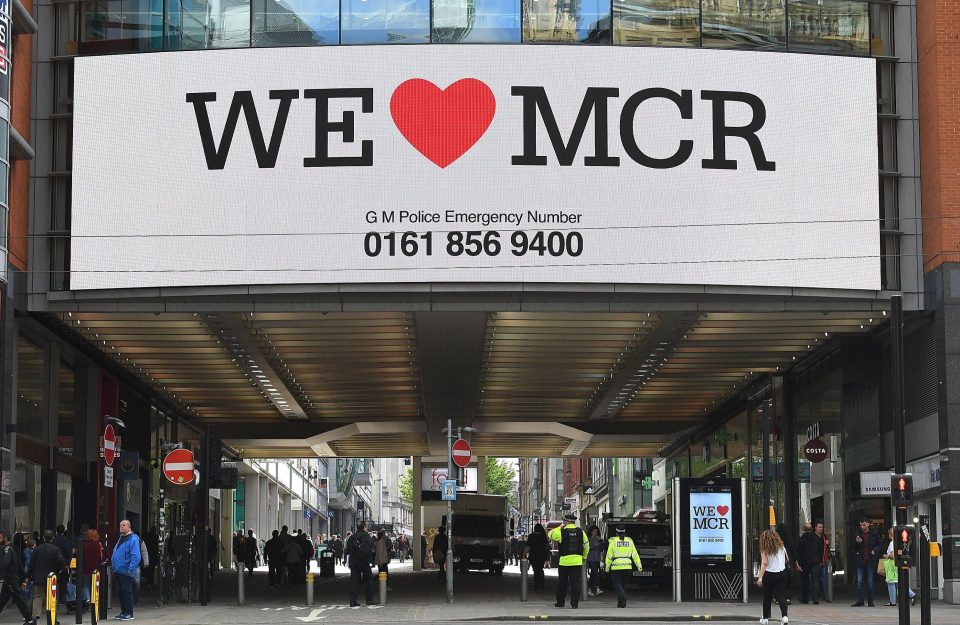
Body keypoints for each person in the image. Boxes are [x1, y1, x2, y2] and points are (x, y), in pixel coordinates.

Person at [547, 513, 589, 609]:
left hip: (564, 562)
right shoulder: (581, 532)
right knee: (576, 583)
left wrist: (560, 527)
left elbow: (550, 535)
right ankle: (575, 604)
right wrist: (584, 557)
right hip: (577, 561)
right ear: (574, 522)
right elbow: (586, 545)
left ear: (565, 521)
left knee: (562, 583)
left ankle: (560, 602)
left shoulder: (561, 532)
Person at [0, 530, 36, 624]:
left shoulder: (7, 549)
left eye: (0, 538)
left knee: (19, 600)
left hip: (11, 579)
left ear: (6, 538)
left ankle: (30, 619)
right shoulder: (13, 549)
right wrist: (23, 577)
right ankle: (29, 619)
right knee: (3, 599)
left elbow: (5, 564)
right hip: (11, 579)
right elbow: (19, 564)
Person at [27, 530, 65, 619]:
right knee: (52, 597)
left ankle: (35, 615)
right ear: (52, 538)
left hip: (39, 576)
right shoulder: (55, 549)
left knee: (37, 596)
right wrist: (58, 570)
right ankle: (52, 616)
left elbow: (31, 564)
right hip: (52, 577)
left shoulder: (37, 549)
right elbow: (61, 561)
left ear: (43, 537)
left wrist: (29, 575)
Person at [604, 525, 642, 608]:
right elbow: (635, 555)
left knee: (617, 584)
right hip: (628, 566)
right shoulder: (629, 541)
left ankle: (623, 596)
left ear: (616, 533)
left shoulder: (613, 541)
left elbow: (609, 555)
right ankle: (621, 604)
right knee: (624, 585)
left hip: (616, 566)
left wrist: (607, 568)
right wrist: (639, 566)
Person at [757, 529, 790, 625]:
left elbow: (764, 563)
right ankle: (784, 617)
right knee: (781, 597)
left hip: (769, 574)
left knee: (767, 597)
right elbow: (786, 559)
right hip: (781, 574)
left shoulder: (764, 549)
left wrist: (760, 577)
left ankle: (765, 618)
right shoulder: (782, 547)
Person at [111, 519, 141, 621]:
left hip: (126, 571)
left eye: (124, 525)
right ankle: (123, 612)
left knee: (127, 592)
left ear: (129, 527)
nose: (121, 527)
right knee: (121, 592)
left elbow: (136, 556)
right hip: (118, 571)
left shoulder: (133, 539)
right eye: (120, 525)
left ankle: (129, 613)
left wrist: (131, 569)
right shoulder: (121, 538)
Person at [850, 518, 881, 607]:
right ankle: (860, 600)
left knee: (870, 582)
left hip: (870, 560)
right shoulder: (857, 534)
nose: (862, 527)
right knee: (859, 581)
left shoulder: (874, 533)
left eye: (863, 525)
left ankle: (870, 601)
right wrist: (857, 543)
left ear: (868, 524)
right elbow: (852, 547)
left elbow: (879, 544)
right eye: (860, 525)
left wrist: (875, 550)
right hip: (860, 560)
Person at [883, 527, 916, 607]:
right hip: (898, 564)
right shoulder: (899, 543)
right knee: (900, 582)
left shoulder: (892, 543)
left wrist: (886, 556)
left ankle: (893, 601)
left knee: (891, 583)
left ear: (891, 535)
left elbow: (893, 555)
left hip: (892, 565)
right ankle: (912, 594)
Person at [346, 522, 377, 607]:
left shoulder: (352, 537)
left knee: (354, 581)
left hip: (354, 561)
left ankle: (353, 601)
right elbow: (372, 545)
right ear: (364, 528)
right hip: (363, 561)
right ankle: (369, 599)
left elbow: (347, 549)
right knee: (369, 578)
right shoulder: (366, 535)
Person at [796, 523, 822, 604]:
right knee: (815, 580)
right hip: (815, 562)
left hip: (804, 563)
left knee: (805, 581)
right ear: (811, 529)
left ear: (804, 530)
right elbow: (821, 550)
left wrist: (798, 563)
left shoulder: (801, 539)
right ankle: (816, 598)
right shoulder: (817, 538)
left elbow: (799, 552)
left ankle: (805, 598)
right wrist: (819, 559)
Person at [775, 523, 796, 606]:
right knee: (787, 579)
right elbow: (793, 549)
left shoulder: (776, 539)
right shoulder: (789, 539)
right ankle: (787, 597)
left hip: (778, 562)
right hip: (788, 561)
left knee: (778, 580)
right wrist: (795, 561)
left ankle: (777, 597)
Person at [80, 529, 103, 607]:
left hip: (86, 568)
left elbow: (81, 557)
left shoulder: (83, 545)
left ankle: (88, 599)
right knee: (95, 584)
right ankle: (95, 600)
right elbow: (101, 557)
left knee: (85, 585)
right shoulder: (99, 544)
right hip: (96, 568)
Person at [524, 524, 549, 591]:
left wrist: (524, 553)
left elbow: (528, 546)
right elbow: (547, 546)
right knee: (540, 568)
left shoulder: (531, 536)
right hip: (542, 555)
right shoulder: (543, 536)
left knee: (535, 570)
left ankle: (537, 584)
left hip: (533, 555)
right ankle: (542, 582)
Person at [814, 521, 832, 602]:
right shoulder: (813, 537)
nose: (821, 529)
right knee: (815, 579)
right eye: (819, 527)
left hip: (824, 560)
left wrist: (828, 544)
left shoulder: (824, 537)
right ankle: (816, 595)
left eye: (822, 527)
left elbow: (827, 547)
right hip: (816, 561)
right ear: (816, 528)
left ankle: (825, 595)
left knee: (824, 579)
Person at [586, 525, 604, 597]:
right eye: (593, 531)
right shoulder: (588, 539)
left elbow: (602, 549)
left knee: (594, 574)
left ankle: (589, 589)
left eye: (596, 531)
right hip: (591, 559)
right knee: (595, 573)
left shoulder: (599, 539)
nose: (595, 533)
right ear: (591, 532)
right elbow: (587, 548)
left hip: (597, 559)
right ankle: (597, 587)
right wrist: (594, 546)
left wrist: (601, 543)